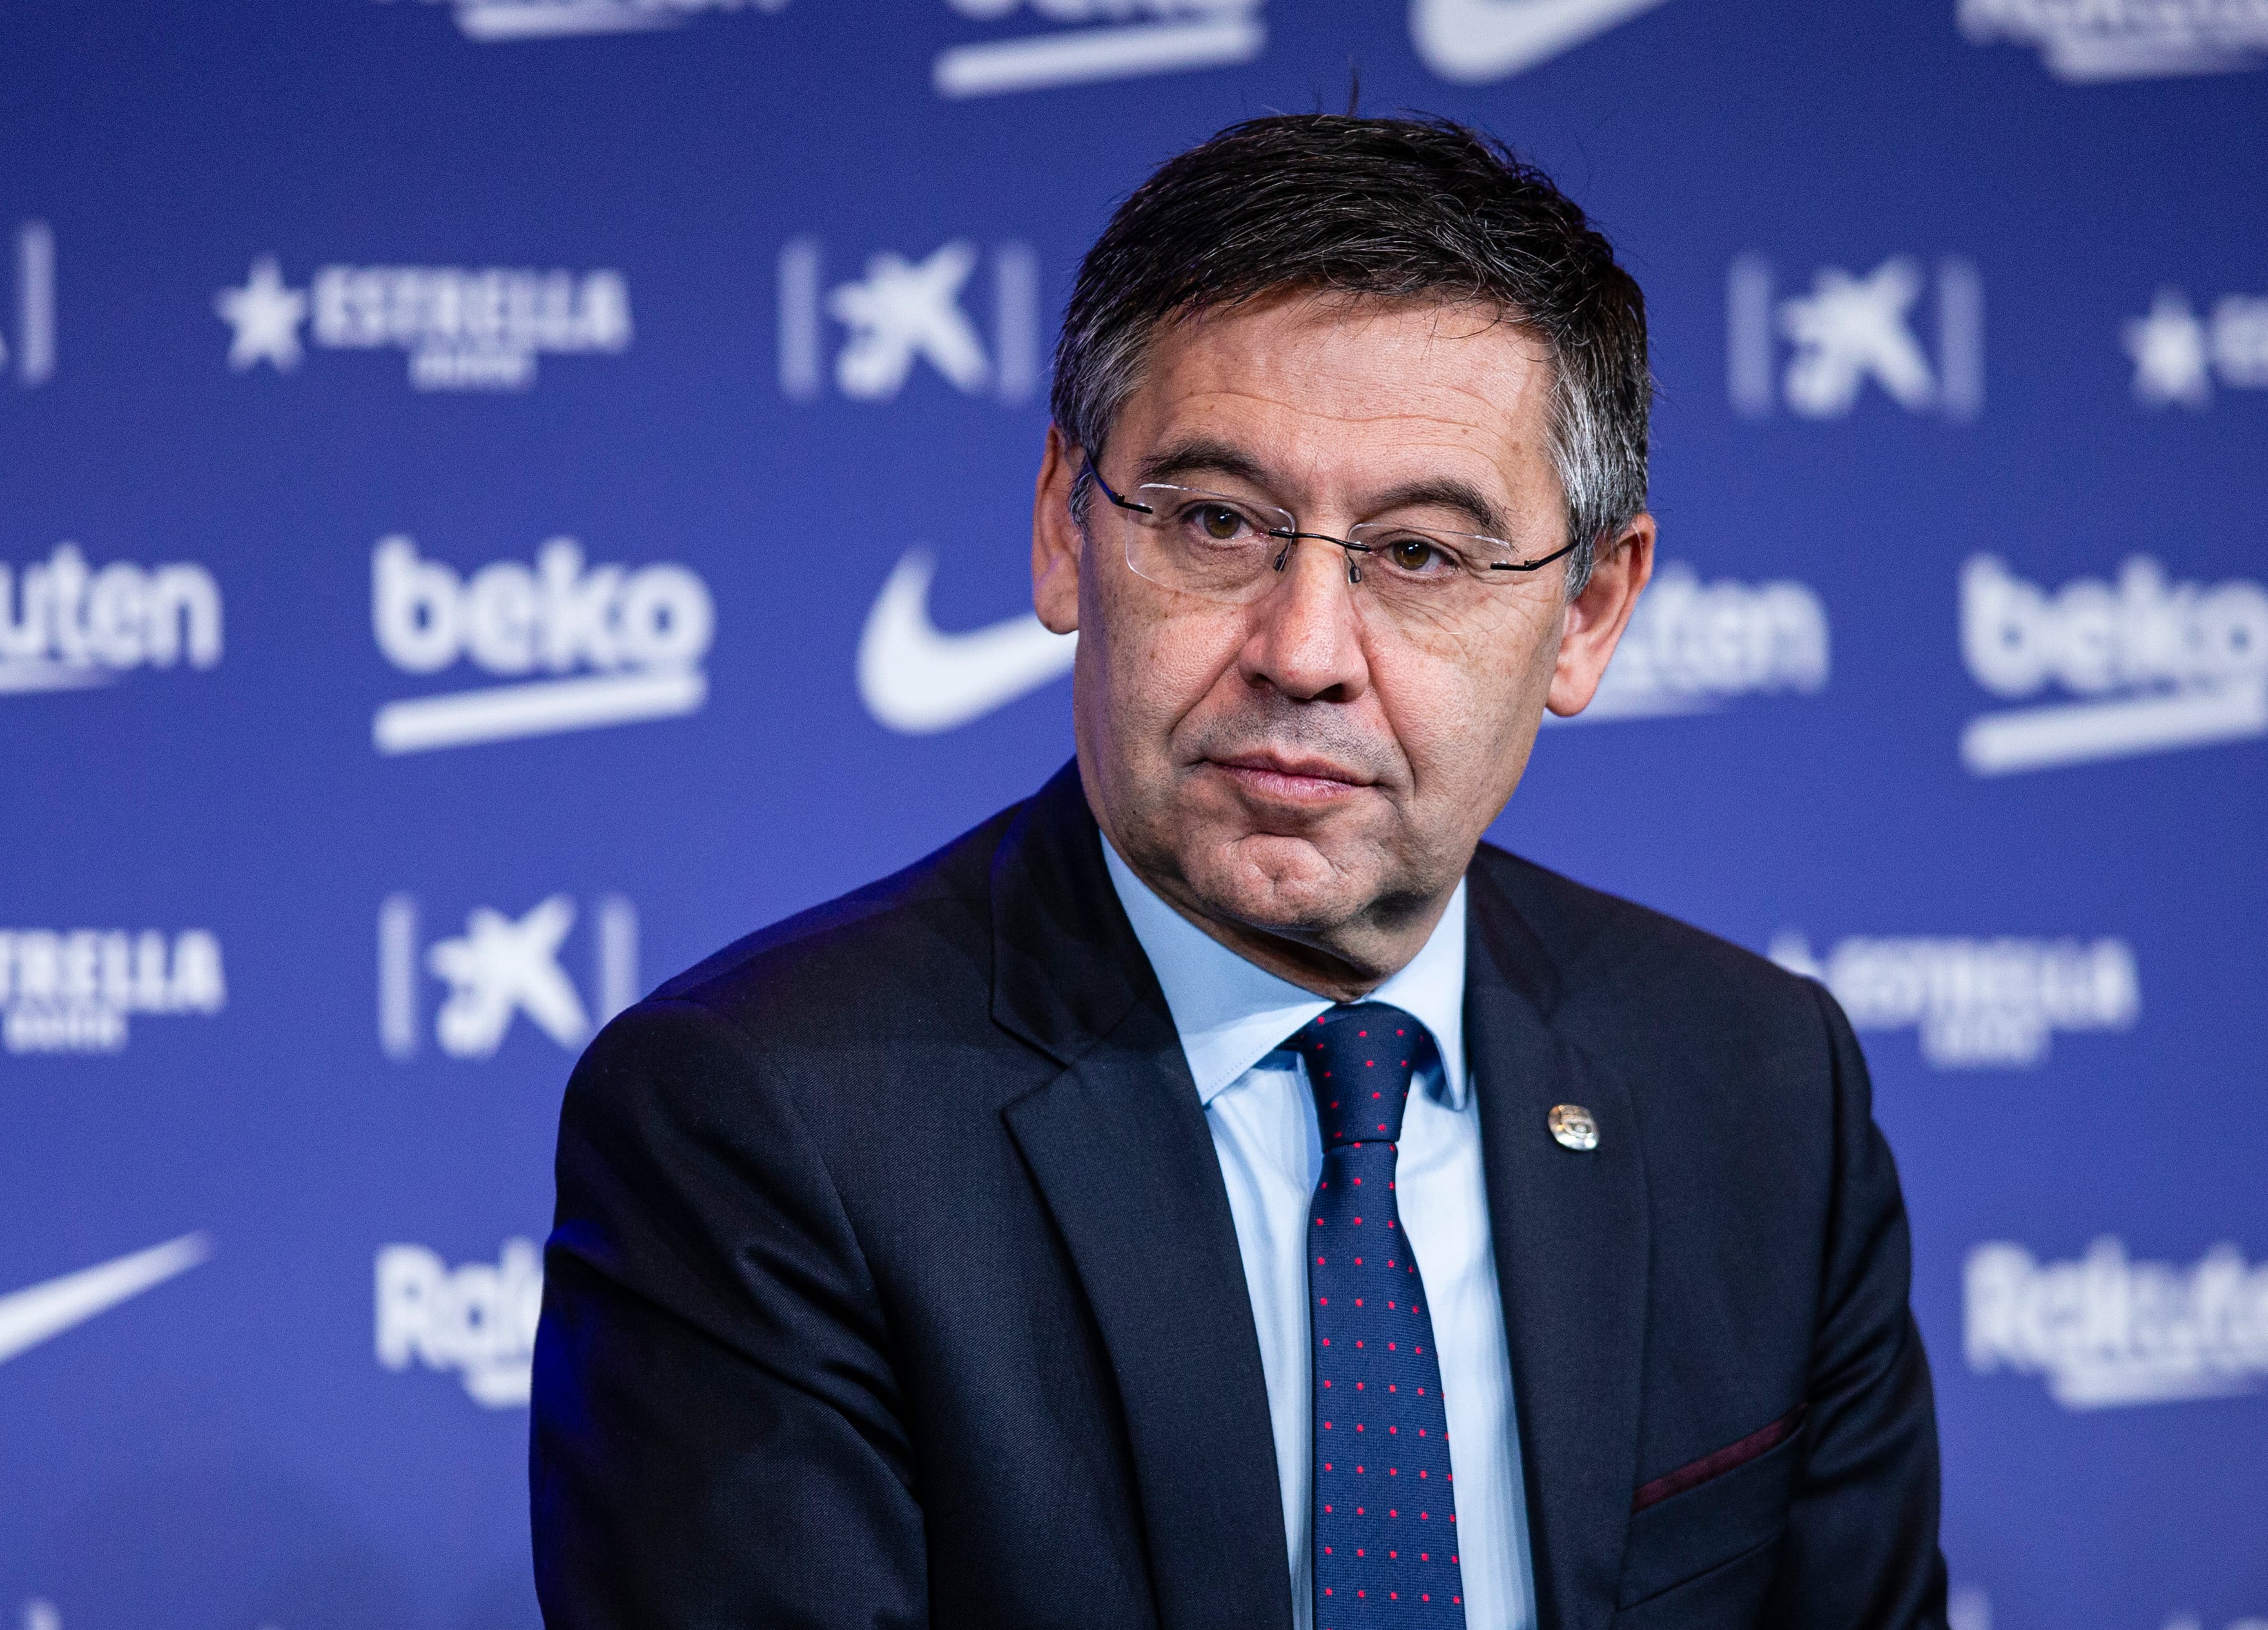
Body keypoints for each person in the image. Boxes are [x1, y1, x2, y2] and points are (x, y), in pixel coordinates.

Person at [531, 114, 1946, 1630]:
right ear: (1063, 531)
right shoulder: (764, 1119)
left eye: (1421, 553)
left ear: (1590, 610)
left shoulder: (1758, 1088)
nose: (1304, 650)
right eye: (1215, 523)